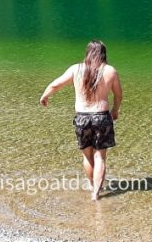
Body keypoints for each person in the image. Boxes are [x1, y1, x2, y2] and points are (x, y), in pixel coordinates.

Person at [39, 40, 123, 201]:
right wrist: (115, 110)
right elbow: (119, 95)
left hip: (82, 118)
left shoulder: (76, 69)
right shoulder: (110, 71)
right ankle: (95, 194)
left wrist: (45, 95)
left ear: (87, 53)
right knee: (100, 157)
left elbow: (56, 84)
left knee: (87, 156)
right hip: (101, 117)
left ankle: (92, 185)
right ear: (104, 54)